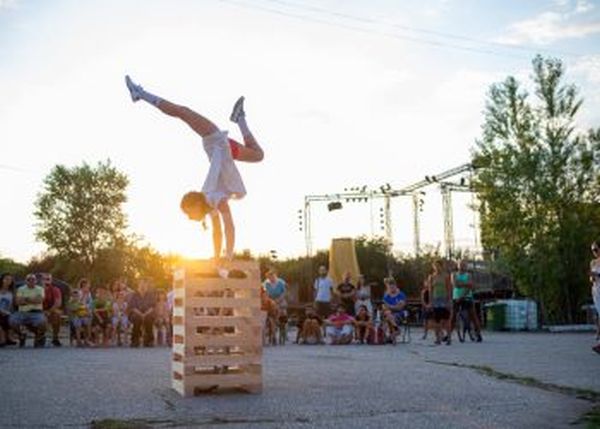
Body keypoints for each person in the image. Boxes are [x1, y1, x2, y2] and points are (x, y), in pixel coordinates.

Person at [125, 76, 264, 264]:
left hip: (218, 145)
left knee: (183, 113)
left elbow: (218, 232)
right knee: (257, 155)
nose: (190, 218)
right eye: (189, 213)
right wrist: (226, 257)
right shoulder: (215, 202)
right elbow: (227, 228)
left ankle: (141, 94)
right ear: (196, 205)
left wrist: (218, 257)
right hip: (219, 143)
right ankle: (139, 93)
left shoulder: (210, 198)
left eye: (188, 214)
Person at [10, 273, 47, 347]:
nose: (31, 281)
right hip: (22, 312)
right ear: (25, 281)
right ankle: (22, 335)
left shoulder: (40, 289)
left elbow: (39, 300)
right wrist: (33, 300)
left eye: (33, 279)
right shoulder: (21, 289)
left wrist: (25, 299)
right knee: (12, 320)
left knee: (43, 322)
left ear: (36, 281)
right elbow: (18, 302)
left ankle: (39, 336)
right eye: (28, 279)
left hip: (37, 313)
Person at [450, 260, 483, 342]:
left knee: (473, 316)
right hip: (456, 297)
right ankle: (448, 334)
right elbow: (455, 284)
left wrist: (462, 289)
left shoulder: (468, 275)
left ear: (466, 266)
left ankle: (478, 333)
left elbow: (470, 286)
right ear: (457, 266)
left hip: (467, 297)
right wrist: (466, 284)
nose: (462, 266)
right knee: (453, 316)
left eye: (464, 265)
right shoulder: (454, 274)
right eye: (460, 265)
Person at [427, 260, 452, 345]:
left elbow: (449, 288)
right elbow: (430, 290)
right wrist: (430, 302)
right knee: (436, 320)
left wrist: (448, 301)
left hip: (444, 299)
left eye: (438, 266)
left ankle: (448, 338)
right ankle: (438, 338)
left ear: (442, 266)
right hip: (435, 299)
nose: (437, 268)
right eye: (435, 266)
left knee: (446, 319)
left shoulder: (446, 276)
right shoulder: (431, 277)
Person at [128, 278, 157, 347]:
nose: (143, 286)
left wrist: (145, 314)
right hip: (136, 312)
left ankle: (149, 340)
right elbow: (133, 307)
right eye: (141, 284)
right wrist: (141, 314)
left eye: (144, 284)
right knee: (136, 318)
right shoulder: (134, 295)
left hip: (148, 312)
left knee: (149, 319)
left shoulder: (150, 294)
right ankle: (135, 340)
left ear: (147, 286)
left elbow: (152, 307)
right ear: (138, 285)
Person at [42, 273, 63, 347]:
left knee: (57, 314)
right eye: (44, 279)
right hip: (39, 310)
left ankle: (55, 337)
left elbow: (58, 303)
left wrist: (48, 311)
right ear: (41, 280)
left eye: (48, 279)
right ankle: (41, 337)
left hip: (51, 309)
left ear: (51, 280)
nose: (46, 281)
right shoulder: (37, 289)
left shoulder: (55, 289)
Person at [0, 273, 16, 346]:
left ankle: (8, 337)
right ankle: (2, 338)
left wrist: (11, 313)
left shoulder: (12, 292)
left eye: (10, 279)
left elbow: (13, 305)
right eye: (6, 279)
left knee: (11, 318)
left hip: (8, 313)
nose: (8, 281)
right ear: (2, 280)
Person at [590, 241, 600, 354]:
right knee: (597, 315)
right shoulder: (593, 263)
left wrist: (596, 275)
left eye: (596, 250)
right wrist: (592, 278)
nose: (594, 252)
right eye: (593, 250)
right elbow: (591, 278)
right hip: (596, 291)